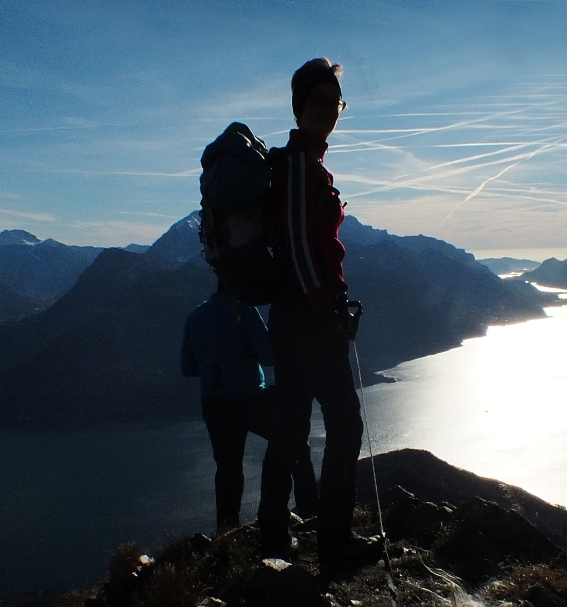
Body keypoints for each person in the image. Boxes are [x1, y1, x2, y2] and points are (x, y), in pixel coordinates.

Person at [258, 57, 382, 571]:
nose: (330, 111)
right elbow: (298, 248)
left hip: (297, 316)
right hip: (307, 318)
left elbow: (306, 245)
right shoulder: (296, 165)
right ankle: (333, 542)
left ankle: (273, 539)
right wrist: (324, 306)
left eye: (336, 103)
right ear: (299, 104)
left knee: (289, 427)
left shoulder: (307, 164)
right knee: (344, 425)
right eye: (320, 102)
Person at [181, 285, 319, 535]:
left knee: (228, 467)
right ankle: (310, 513)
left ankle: (226, 532)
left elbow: (188, 367)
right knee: (295, 444)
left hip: (214, 403)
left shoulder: (195, 316)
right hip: (252, 398)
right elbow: (267, 356)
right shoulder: (244, 310)